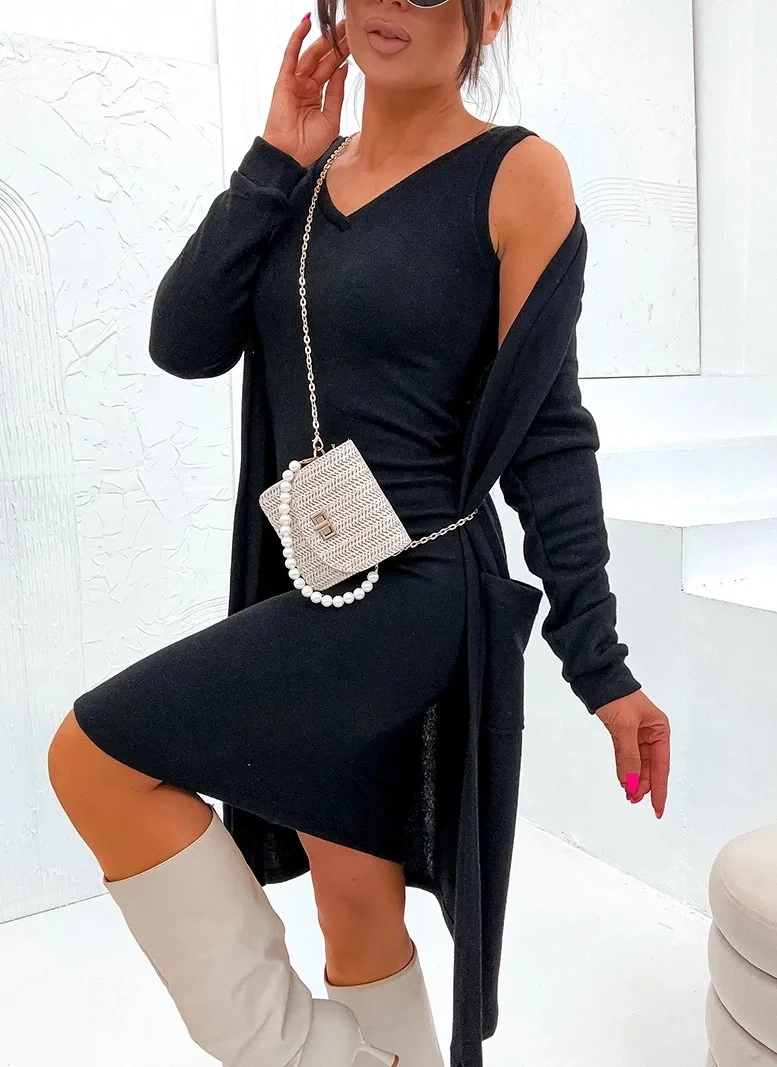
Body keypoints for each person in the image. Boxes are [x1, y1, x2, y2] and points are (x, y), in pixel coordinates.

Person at [47, 3, 672, 1066]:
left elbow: (549, 433)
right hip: (314, 580)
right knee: (353, 901)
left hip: (418, 592)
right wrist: (270, 160)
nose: (388, 6)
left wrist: (599, 663)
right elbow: (182, 341)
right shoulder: (301, 179)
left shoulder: (516, 175)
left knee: (92, 756)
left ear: (491, 11)